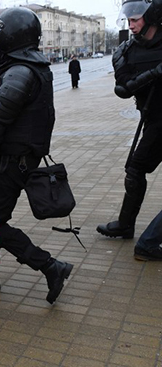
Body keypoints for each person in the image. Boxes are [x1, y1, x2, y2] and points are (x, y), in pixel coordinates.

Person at [0, 7, 73, 304]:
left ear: (11, 36)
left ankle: (50, 266)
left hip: (10, 161)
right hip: (18, 158)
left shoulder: (19, 71)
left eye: (0, 34)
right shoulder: (28, 65)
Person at [97, 0, 162, 240]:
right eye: (128, 20)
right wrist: (154, 73)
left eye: (135, 20)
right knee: (134, 170)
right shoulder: (125, 50)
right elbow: (122, 88)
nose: (131, 25)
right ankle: (125, 225)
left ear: (151, 18)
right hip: (155, 121)